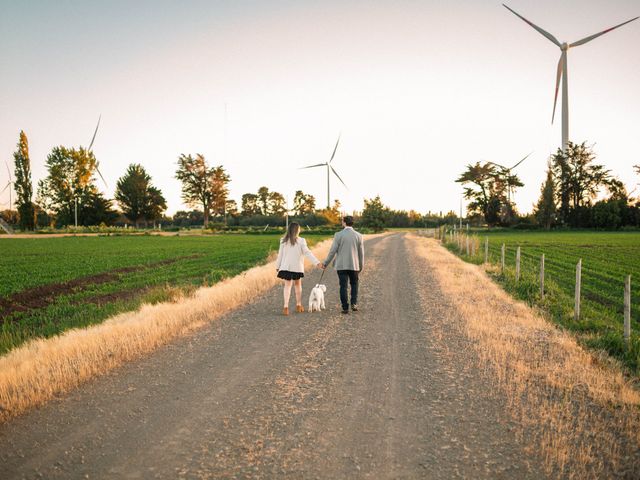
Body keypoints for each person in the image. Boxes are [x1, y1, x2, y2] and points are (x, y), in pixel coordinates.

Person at [275, 222, 323, 316]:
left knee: (287, 286)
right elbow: (307, 253)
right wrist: (317, 263)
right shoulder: (301, 241)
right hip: (297, 267)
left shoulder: (283, 240)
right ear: (297, 230)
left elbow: (280, 255)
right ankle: (298, 305)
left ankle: (285, 307)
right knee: (297, 285)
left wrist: (278, 266)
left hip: (285, 267)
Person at [323, 216, 364, 314]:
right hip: (354, 265)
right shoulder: (359, 235)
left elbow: (332, 251)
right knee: (354, 284)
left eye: (342, 221)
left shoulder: (338, 235)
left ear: (344, 222)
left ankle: (345, 307)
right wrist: (361, 266)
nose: (342, 222)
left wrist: (325, 263)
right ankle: (354, 303)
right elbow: (361, 253)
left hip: (341, 265)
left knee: (343, 286)